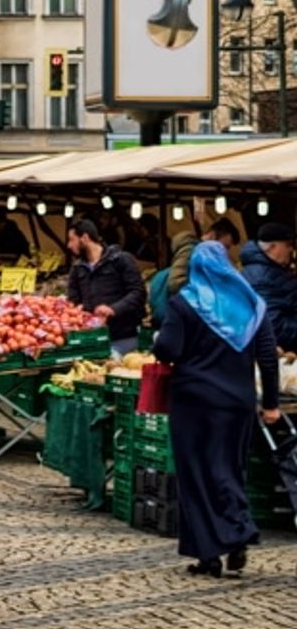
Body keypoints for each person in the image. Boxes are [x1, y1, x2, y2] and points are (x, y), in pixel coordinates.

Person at [153, 241, 283, 577]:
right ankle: (236, 531)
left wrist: (161, 344)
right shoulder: (252, 305)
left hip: (194, 403)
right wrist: (270, 403)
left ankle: (209, 553)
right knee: (229, 468)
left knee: (196, 475)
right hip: (237, 402)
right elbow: (268, 359)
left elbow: (167, 350)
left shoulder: (186, 304)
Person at [65, 218, 147, 357]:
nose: (69, 245)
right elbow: (73, 302)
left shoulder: (121, 260)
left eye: (72, 239)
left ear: (84, 238)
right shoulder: (77, 269)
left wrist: (113, 309)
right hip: (92, 340)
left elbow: (138, 293)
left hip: (124, 337)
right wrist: (83, 318)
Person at [239, 222, 297, 350]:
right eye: (288, 245)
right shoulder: (263, 278)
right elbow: (273, 326)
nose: (291, 249)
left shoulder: (264, 270)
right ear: (272, 247)